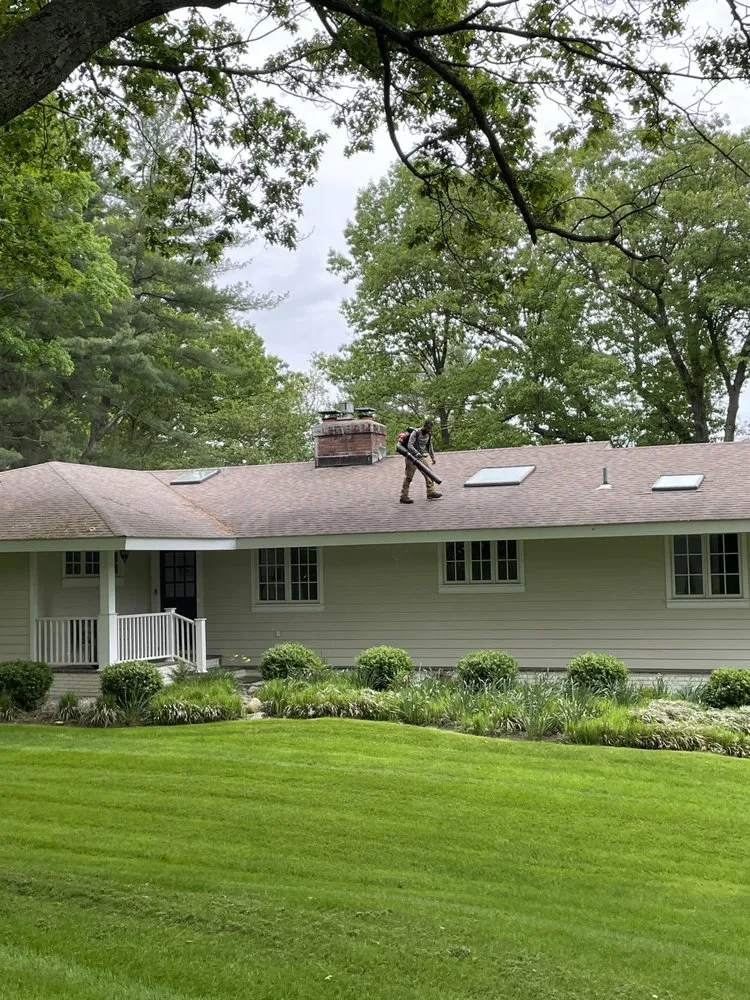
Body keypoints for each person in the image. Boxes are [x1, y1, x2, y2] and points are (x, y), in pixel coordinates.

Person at [400, 420, 442, 503]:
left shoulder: (428, 435)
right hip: (411, 457)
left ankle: (430, 492)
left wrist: (432, 457)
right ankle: (403, 496)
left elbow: (430, 446)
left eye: (430, 429)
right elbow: (409, 445)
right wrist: (416, 453)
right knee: (409, 477)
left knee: (429, 473)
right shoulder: (416, 433)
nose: (429, 430)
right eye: (428, 428)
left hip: (420, 457)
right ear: (424, 426)